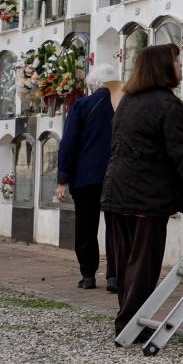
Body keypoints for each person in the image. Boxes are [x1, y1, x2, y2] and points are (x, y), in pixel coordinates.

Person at [101, 46, 183, 340]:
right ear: (162, 68)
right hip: (146, 195)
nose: (180, 67)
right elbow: (182, 155)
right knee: (143, 264)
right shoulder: (167, 104)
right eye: (176, 62)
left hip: (118, 190)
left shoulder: (128, 100)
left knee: (127, 261)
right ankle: (129, 325)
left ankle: (129, 320)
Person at [56, 64, 124, 292]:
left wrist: (63, 178)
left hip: (86, 177)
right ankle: (114, 276)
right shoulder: (123, 105)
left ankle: (88, 275)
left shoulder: (82, 105)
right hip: (117, 176)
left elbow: (69, 142)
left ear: (93, 85)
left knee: (86, 226)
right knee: (116, 226)